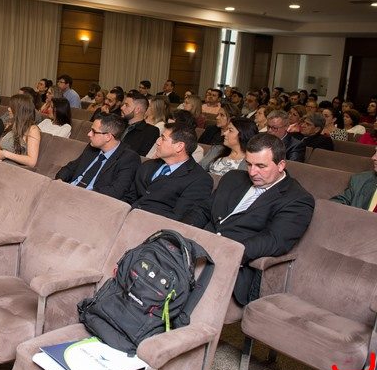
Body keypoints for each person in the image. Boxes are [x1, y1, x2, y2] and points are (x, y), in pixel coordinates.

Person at [181, 133, 315, 306]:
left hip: (232, 264)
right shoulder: (233, 178)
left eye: (261, 166)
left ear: (281, 165)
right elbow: (203, 210)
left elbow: (274, 241)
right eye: (249, 164)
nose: (252, 172)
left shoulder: (297, 199)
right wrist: (183, 232)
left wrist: (223, 251)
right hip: (194, 248)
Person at [123, 122, 214, 220]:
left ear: (179, 146)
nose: (158, 142)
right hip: (126, 219)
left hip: (156, 225)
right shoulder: (148, 166)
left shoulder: (199, 179)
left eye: (163, 138)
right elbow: (129, 198)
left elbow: (181, 216)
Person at [56, 114, 141, 200]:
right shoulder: (92, 147)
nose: (89, 134)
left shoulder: (129, 158)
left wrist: (83, 193)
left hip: (90, 198)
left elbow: (116, 191)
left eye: (94, 131)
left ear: (108, 137)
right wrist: (60, 180)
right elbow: (70, 168)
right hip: (68, 190)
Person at [0, 94, 41, 168]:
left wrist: (6, 154)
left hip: (15, 169)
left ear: (19, 110)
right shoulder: (11, 125)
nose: (8, 109)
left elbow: (32, 161)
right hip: (0, 164)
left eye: (11, 107)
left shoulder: (33, 129)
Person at [119, 91, 160, 156]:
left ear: (137, 110)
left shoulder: (150, 131)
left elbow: (141, 156)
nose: (122, 108)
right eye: (123, 105)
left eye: (126, 105)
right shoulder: (119, 124)